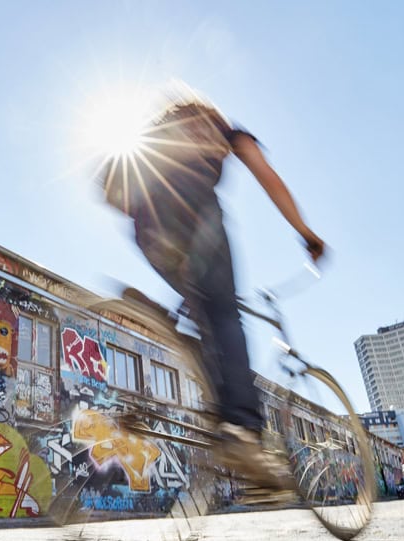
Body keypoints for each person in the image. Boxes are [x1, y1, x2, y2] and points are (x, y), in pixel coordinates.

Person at [97, 88, 325, 490]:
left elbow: (115, 185)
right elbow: (269, 179)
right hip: (195, 216)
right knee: (224, 315)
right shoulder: (228, 131)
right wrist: (306, 233)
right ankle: (240, 429)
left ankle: (164, 321)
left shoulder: (160, 131)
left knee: (205, 321)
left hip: (148, 231)